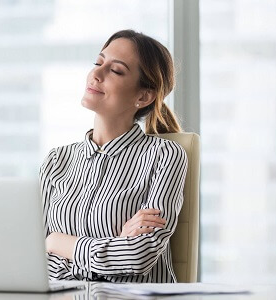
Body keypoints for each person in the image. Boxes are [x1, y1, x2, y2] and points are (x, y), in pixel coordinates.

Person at [39, 29, 188, 283]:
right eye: (98, 63)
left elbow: (138, 257)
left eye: (115, 70)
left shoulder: (165, 155)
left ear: (143, 96)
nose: (96, 74)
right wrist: (115, 244)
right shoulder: (57, 160)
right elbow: (35, 257)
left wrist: (57, 242)